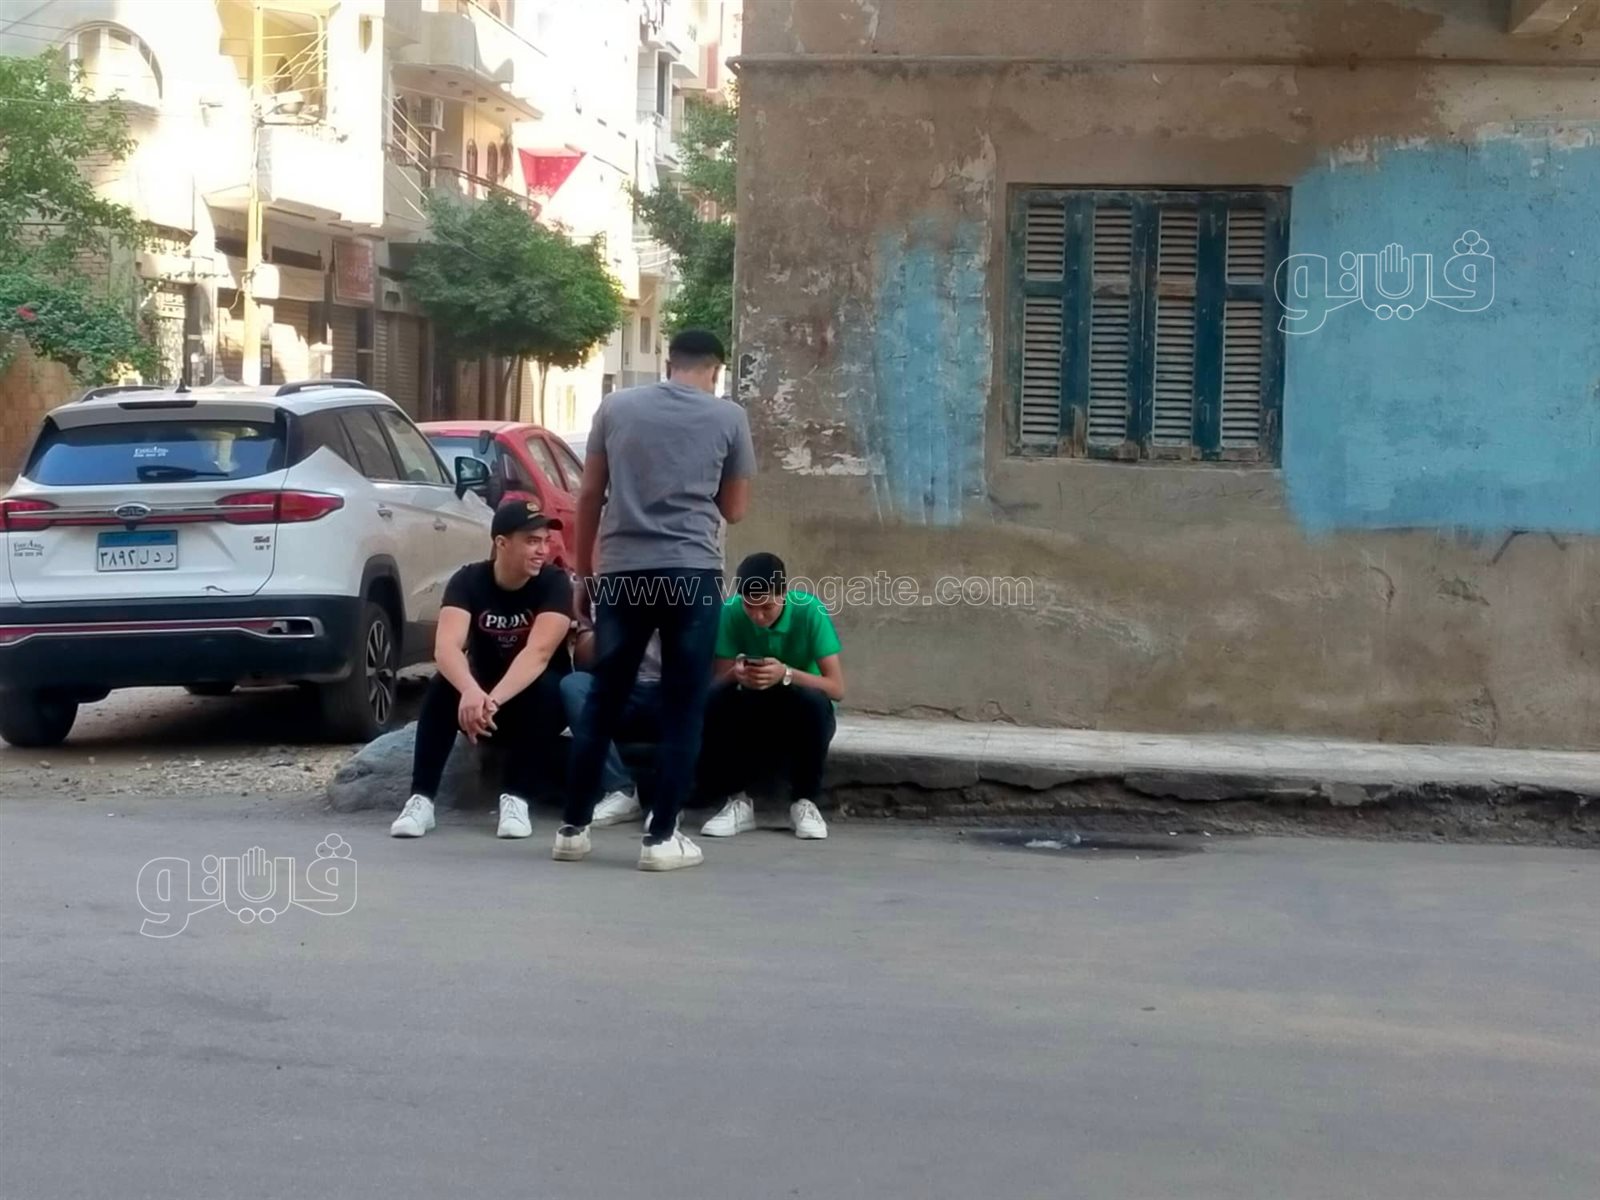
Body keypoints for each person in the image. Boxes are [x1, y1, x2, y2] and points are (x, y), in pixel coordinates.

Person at [555, 329, 755, 871]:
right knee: (683, 705)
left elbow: (588, 495)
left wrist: (583, 575)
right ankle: (661, 837)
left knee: (603, 699)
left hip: (623, 573)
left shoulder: (615, 408)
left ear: (669, 363)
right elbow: (735, 510)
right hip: (691, 574)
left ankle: (572, 829)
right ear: (715, 370)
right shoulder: (728, 417)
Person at [390, 500, 573, 840]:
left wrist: (491, 701)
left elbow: (539, 653)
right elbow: (446, 648)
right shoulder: (468, 580)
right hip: (482, 698)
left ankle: (516, 798)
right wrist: (470, 690)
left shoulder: (555, 582)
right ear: (501, 543)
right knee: (442, 685)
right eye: (532, 541)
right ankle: (421, 800)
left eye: (545, 541)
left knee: (548, 687)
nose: (542, 551)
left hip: (531, 700)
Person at [699, 552, 845, 840]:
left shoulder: (809, 611)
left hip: (800, 716)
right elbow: (717, 683)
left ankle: (805, 801)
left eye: (767, 607)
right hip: (752, 709)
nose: (757, 616)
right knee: (716, 699)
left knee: (814, 700)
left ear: (784, 595)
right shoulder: (731, 611)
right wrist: (736, 674)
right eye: (749, 606)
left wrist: (786, 674)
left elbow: (836, 688)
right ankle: (737, 801)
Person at [560, 622, 662, 828]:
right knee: (574, 684)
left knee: (689, 693)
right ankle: (621, 789)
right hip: (619, 690)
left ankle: (668, 802)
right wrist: (596, 625)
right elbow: (583, 660)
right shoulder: (609, 601)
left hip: (668, 689)